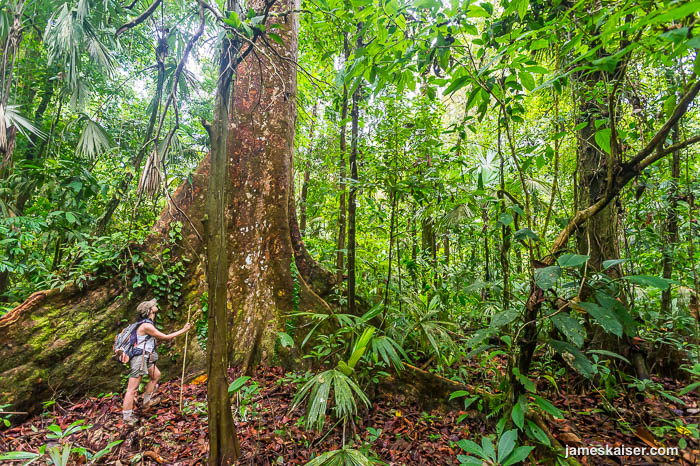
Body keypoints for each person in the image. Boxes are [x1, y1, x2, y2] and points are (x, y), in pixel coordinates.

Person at [121, 298, 192, 424]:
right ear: (148, 311)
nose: (155, 308)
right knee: (132, 389)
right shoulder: (146, 326)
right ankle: (127, 417)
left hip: (145, 357)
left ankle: (146, 402)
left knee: (156, 375)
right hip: (139, 358)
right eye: (152, 308)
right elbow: (164, 337)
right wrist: (184, 330)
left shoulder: (145, 323)